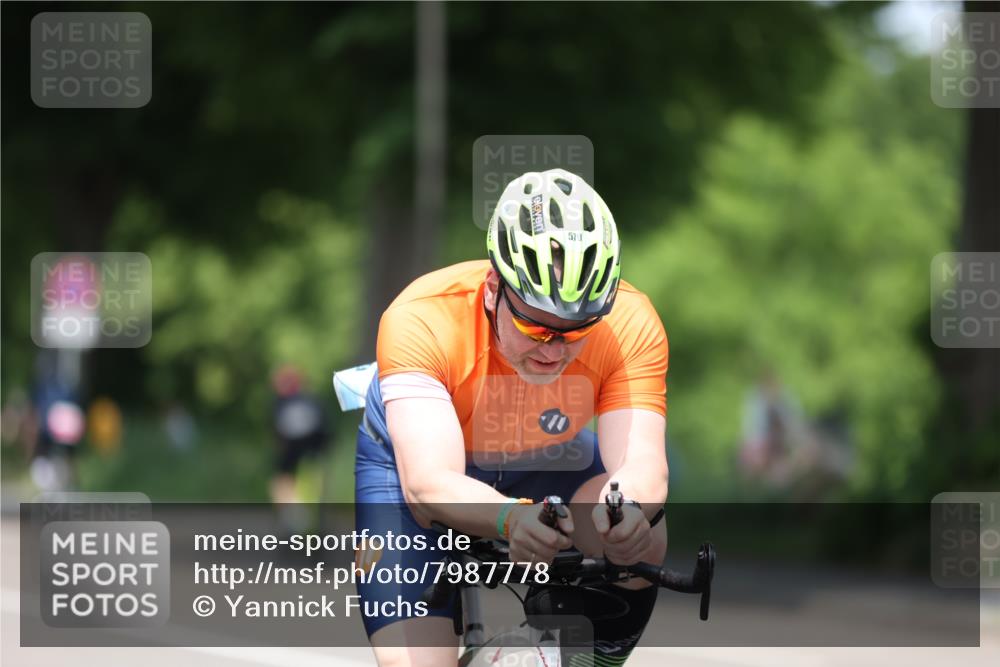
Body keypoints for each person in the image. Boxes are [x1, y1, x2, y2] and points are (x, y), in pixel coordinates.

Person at [354, 168, 670, 667]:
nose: (554, 348)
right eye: (535, 325)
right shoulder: (420, 318)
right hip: (412, 469)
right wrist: (510, 516)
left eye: (577, 329)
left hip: (546, 454)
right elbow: (428, 484)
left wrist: (627, 510)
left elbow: (642, 465)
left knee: (643, 535)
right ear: (492, 289)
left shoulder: (630, 321)